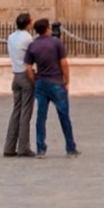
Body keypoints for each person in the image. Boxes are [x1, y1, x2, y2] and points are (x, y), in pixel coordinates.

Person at [27, 18, 77, 155]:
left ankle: (40, 148)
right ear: (47, 28)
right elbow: (64, 63)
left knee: (41, 116)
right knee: (64, 116)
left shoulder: (33, 45)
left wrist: (34, 80)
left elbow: (28, 67)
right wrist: (67, 81)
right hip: (56, 82)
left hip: (41, 83)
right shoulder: (56, 43)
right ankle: (70, 146)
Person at [4, 12, 36, 157]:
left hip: (15, 75)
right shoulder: (28, 38)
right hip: (25, 75)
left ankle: (9, 146)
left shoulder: (11, 37)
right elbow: (32, 57)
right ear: (28, 24)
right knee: (26, 113)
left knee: (16, 111)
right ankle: (23, 146)